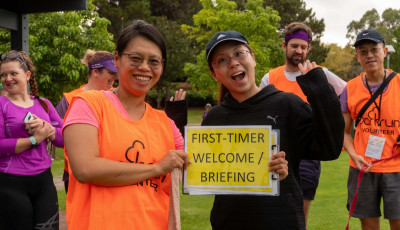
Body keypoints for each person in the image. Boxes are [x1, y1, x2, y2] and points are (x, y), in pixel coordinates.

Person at [203, 30, 344, 229]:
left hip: (281, 221)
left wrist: (320, 92)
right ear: (214, 73)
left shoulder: (288, 105)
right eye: (222, 60)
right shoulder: (214, 118)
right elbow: (208, 172)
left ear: (253, 58)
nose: (233, 62)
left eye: (238, 53)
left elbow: (329, 147)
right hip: (228, 222)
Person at [63, 20, 189, 229]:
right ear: (116, 59)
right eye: (136, 58)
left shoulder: (165, 124)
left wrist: (259, 165)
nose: (144, 67)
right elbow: (85, 168)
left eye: (154, 61)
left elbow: (202, 167)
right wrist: (157, 168)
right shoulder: (89, 105)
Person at [259, 21, 346, 226]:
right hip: (275, 152)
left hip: (308, 153)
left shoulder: (319, 74)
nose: (298, 50)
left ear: (308, 49)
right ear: (284, 46)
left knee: (300, 210)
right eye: (294, 45)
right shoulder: (270, 77)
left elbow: (348, 92)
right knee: (270, 208)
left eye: (303, 47)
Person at [341, 29, 400, 230]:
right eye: (363, 51)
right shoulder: (349, 88)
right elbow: (344, 131)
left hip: (396, 167)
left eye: (374, 49)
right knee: (368, 224)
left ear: (384, 51)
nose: (369, 55)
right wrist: (353, 154)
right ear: (358, 57)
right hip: (362, 167)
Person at [0, 50, 64, 230]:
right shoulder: (1, 105)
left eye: (13, 73)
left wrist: (50, 130)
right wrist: (35, 140)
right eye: (3, 75)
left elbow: (64, 139)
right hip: (10, 183)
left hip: (44, 182)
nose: (8, 79)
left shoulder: (43, 103)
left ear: (27, 75)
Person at [55, 50, 118, 194]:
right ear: (95, 71)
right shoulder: (71, 99)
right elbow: (58, 135)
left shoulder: (117, 95)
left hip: (111, 170)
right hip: (76, 174)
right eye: (111, 73)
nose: (114, 78)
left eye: (116, 74)